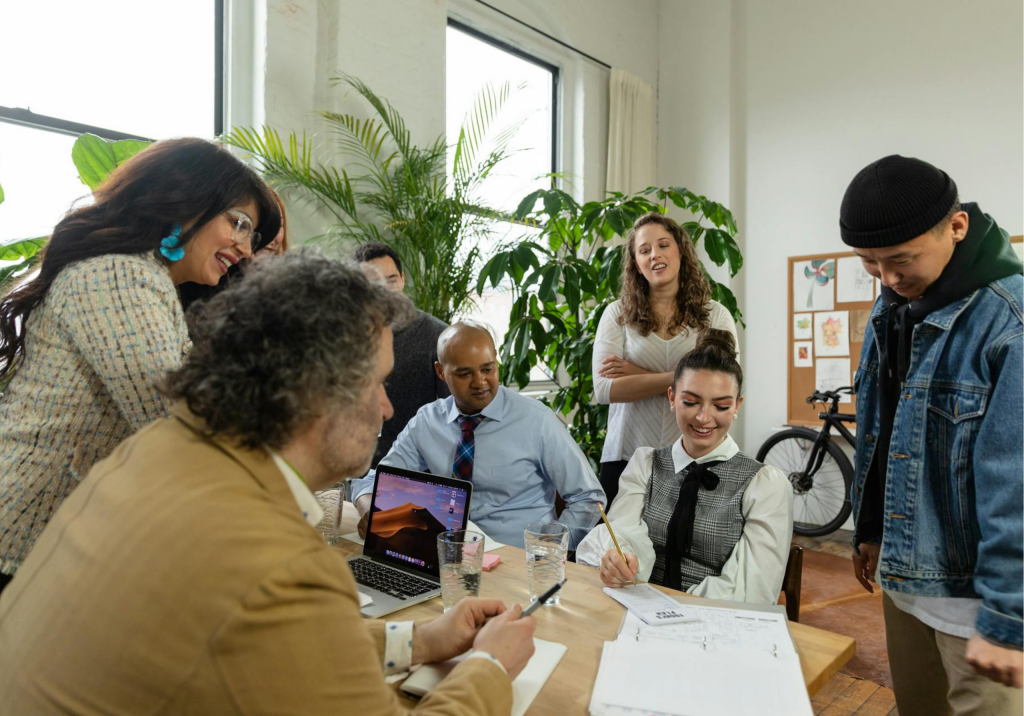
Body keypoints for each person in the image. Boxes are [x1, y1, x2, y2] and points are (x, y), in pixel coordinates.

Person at [0, 252, 536, 715]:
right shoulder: (278, 563)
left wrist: (419, 639)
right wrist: (489, 664)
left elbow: (287, 646)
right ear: (316, 395)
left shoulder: (154, 453)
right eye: (376, 383)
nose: (388, 406)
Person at [0, 137, 281, 592]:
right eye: (240, 224)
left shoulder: (146, 279)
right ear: (185, 201)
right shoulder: (119, 275)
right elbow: (173, 420)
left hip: (49, 541)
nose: (247, 249)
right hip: (24, 540)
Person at [842, 155, 1023, 714]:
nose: (888, 278)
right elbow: (883, 424)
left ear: (958, 227)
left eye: (900, 259)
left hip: (977, 601)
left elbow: (1014, 480)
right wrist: (870, 527)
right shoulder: (895, 303)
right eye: (870, 264)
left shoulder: (1007, 320)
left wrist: (1008, 617)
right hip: (907, 577)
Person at [578, 330, 792, 604]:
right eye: (690, 402)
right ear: (672, 397)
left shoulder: (765, 485)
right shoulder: (645, 465)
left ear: (737, 406)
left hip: (718, 625)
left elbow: (753, 591)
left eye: (721, 406)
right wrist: (618, 562)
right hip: (638, 613)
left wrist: (673, 608)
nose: (704, 418)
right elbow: (622, 535)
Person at [352, 320, 605, 550]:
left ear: (496, 359)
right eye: (465, 374)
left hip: (517, 557)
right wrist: (369, 510)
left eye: (487, 369)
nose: (480, 382)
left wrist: (549, 550)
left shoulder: (537, 420)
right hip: (445, 556)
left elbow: (588, 497)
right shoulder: (428, 421)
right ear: (441, 372)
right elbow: (375, 481)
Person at [593, 212, 739, 505]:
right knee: (618, 547)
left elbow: (722, 386)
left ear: (680, 250)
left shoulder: (716, 315)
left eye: (663, 245)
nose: (654, 255)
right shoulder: (617, 314)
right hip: (625, 455)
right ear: (636, 263)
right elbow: (605, 390)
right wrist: (684, 380)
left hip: (695, 454)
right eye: (644, 250)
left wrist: (636, 372)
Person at [354, 241, 449, 467]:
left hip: (419, 468)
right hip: (358, 467)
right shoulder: (345, 336)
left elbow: (452, 411)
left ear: (403, 279)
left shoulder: (438, 336)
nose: (386, 290)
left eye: (392, 280)